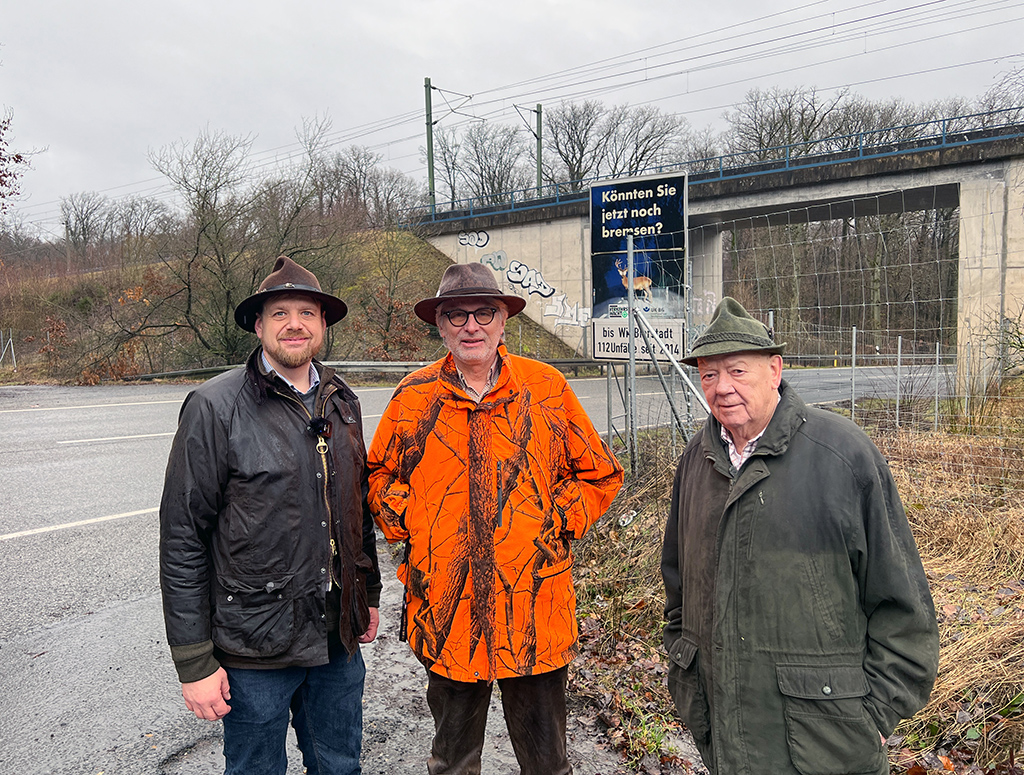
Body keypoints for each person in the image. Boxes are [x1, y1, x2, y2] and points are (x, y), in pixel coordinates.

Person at [661, 297, 940, 775]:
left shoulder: (842, 454)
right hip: (723, 734)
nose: (722, 387)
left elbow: (903, 604)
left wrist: (875, 716)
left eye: (737, 371)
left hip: (829, 746)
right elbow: (678, 587)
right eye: (708, 375)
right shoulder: (696, 460)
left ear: (775, 370)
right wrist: (685, 674)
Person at [367, 263, 624, 775]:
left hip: (534, 607)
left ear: (504, 321)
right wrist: (415, 523)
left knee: (547, 763)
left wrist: (555, 522)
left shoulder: (546, 388)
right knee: (453, 762)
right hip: (446, 609)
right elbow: (378, 476)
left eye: (484, 313)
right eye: (456, 315)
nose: (471, 326)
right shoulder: (414, 397)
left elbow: (599, 473)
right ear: (440, 326)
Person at [159, 255, 382, 775]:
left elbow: (356, 507)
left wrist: (365, 595)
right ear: (258, 326)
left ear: (323, 325)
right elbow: (183, 536)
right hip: (253, 646)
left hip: (336, 640)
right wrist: (193, 661)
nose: (294, 324)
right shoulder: (214, 406)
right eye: (280, 313)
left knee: (340, 766)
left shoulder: (341, 401)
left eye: (307, 312)